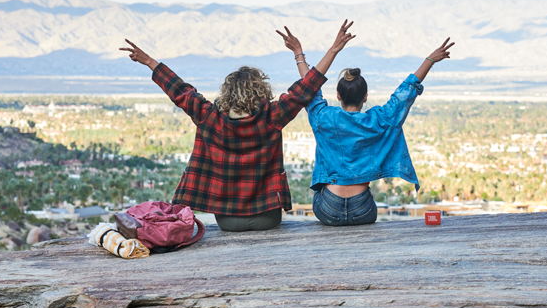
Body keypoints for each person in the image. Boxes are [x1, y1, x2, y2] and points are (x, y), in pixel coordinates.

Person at [119, 20, 357, 232]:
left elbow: (180, 91)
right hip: (267, 217)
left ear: (227, 92)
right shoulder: (273, 116)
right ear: (260, 90)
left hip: (227, 221)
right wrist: (326, 50)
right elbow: (307, 87)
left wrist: (149, 61)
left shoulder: (209, 117)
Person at [277, 28, 454, 226]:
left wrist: (298, 53)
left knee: (319, 194)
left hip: (328, 209)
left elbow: (309, 89)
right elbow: (405, 93)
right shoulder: (380, 119)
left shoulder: (323, 118)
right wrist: (429, 60)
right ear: (365, 97)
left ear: (338, 95)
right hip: (363, 209)